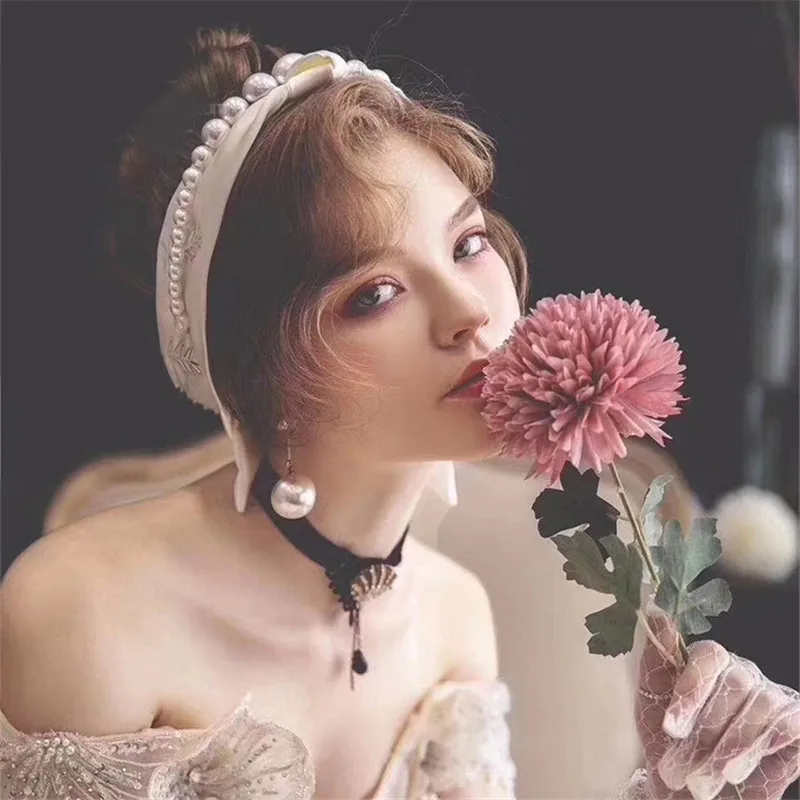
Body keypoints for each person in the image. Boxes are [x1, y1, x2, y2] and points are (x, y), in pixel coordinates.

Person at [1, 29, 797, 800]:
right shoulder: (85, 610)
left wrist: (681, 788)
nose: (469, 313)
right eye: (374, 294)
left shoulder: (455, 617)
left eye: (468, 244)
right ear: (259, 376)